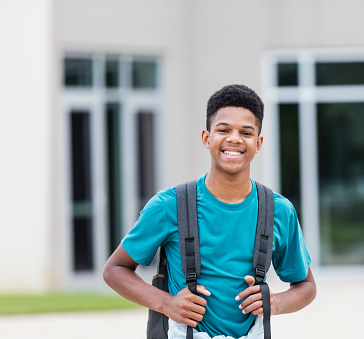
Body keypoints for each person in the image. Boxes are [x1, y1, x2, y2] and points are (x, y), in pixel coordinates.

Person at [103, 84, 316, 339]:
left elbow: (306, 286)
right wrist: (167, 303)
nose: (234, 139)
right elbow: (114, 270)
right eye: (223, 130)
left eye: (245, 132)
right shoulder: (169, 205)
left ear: (258, 143)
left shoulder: (279, 211)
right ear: (206, 138)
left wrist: (276, 302)